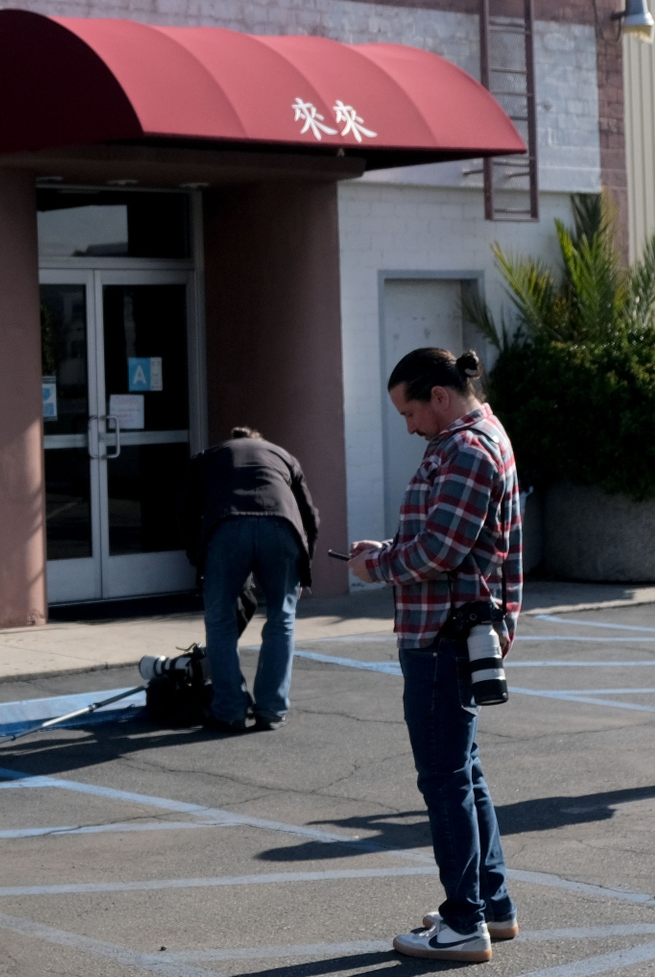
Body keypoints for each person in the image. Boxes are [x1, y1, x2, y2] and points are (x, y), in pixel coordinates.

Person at [347, 348, 522, 965]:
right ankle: (490, 906)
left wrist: (379, 566)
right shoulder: (474, 440)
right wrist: (392, 546)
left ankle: (463, 923)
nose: (409, 425)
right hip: (455, 631)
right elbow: (444, 537)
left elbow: (442, 551)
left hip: (442, 635)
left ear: (440, 398)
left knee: (444, 780)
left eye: (410, 411)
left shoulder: (466, 449)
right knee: (464, 774)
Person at [182, 426, 319, 733]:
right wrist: (304, 567)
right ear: (260, 441)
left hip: (227, 527)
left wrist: (197, 557)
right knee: (281, 619)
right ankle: (271, 710)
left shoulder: (209, 456)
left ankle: (229, 710)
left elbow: (187, 510)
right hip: (282, 528)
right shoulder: (283, 456)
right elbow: (310, 515)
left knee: (220, 621)